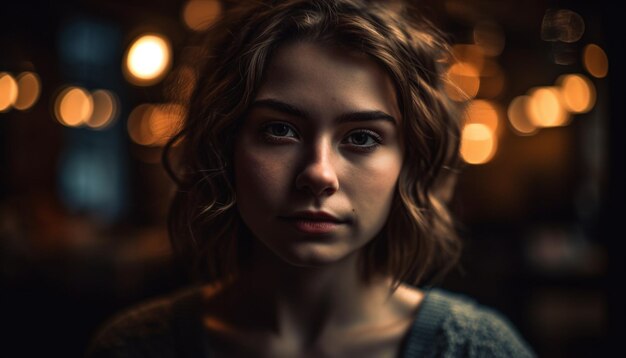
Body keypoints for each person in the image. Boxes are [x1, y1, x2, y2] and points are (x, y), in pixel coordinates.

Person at [87, 0, 536, 356]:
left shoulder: (475, 350)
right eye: (279, 130)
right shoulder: (137, 347)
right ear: (224, 148)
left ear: (411, 160)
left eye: (362, 137)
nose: (318, 174)